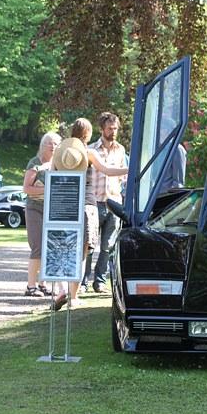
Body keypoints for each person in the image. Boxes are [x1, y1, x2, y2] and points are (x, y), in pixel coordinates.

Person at [52, 118, 128, 307]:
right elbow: (108, 171)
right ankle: (73, 296)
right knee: (82, 252)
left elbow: (51, 178)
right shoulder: (89, 153)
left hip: (64, 205)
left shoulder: (60, 154)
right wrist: (132, 169)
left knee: (62, 249)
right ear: (87, 134)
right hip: (87, 205)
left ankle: (62, 290)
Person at [83, 112, 127, 293]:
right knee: (89, 244)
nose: (113, 131)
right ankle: (83, 281)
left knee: (107, 246)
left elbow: (123, 177)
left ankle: (100, 281)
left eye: (116, 128)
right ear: (102, 129)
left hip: (114, 202)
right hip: (95, 202)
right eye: (110, 128)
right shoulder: (92, 149)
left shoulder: (121, 150)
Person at [22, 132, 61, 298]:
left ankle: (42, 284)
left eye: (56, 144)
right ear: (42, 145)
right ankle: (30, 286)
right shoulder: (35, 163)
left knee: (49, 247)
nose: (53, 147)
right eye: (49, 143)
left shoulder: (59, 164)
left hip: (51, 210)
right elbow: (27, 188)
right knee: (37, 246)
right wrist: (48, 189)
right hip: (34, 209)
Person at [159, 118, 186, 192]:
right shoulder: (157, 148)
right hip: (153, 196)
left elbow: (178, 182)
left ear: (166, 130)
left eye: (161, 128)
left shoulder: (176, 149)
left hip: (165, 197)